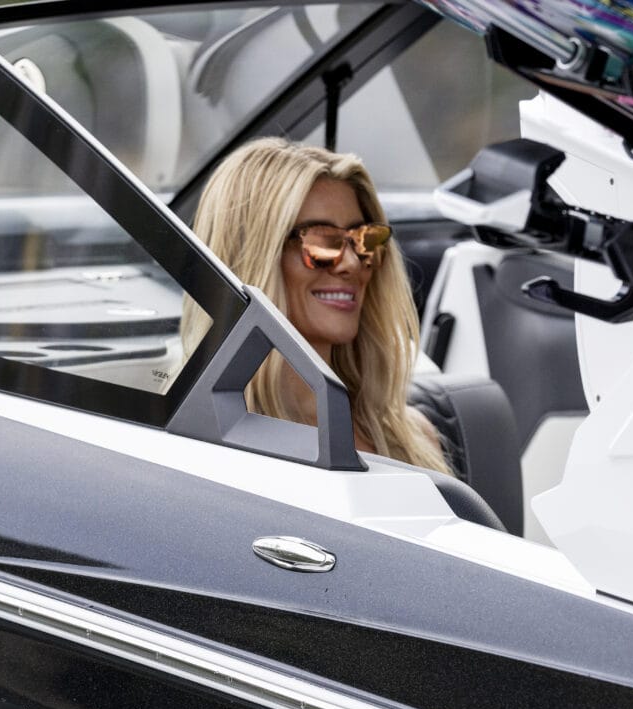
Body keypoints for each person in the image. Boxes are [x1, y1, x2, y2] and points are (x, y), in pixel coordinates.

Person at [183, 137, 450, 472]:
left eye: (364, 240)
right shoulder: (207, 452)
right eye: (322, 242)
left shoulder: (413, 437)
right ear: (253, 256)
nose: (352, 264)